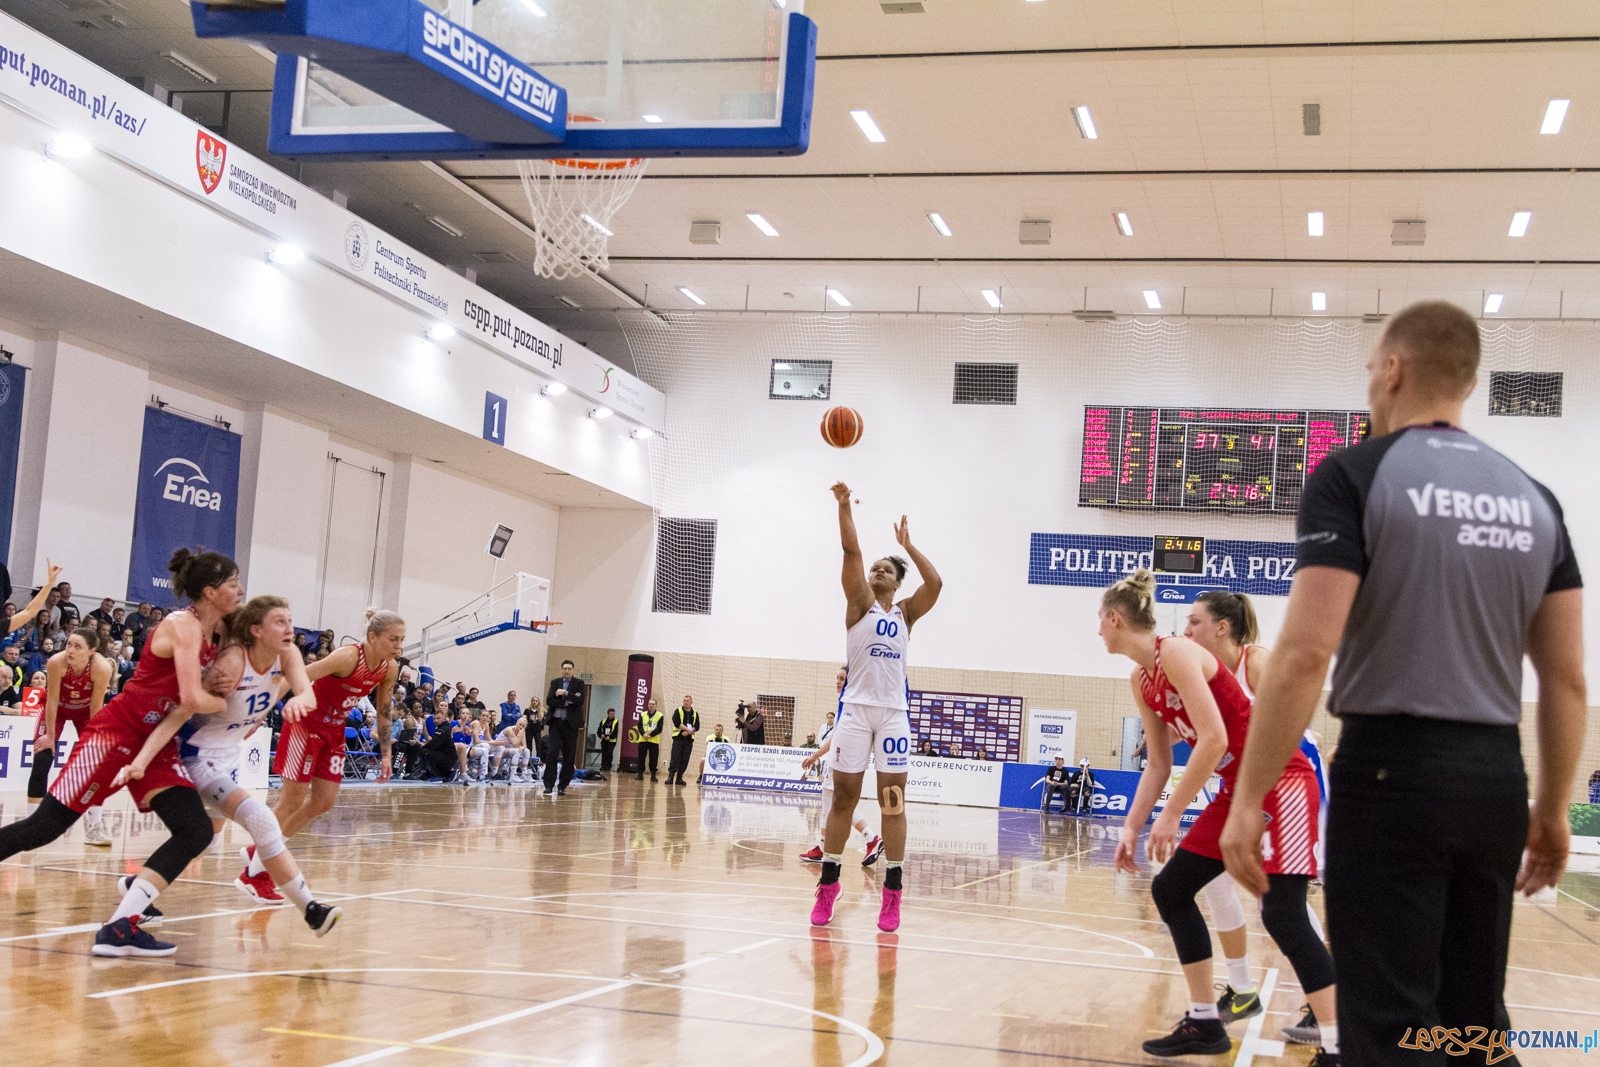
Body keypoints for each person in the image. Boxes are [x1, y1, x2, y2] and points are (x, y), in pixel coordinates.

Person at [1219, 301, 1586, 1067]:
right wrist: (1551, 810)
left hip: (1390, 775)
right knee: (1473, 1026)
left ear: (1393, 370)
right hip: (1495, 779)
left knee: (1386, 1026)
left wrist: (1248, 797)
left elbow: (1305, 652)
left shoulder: (1354, 475)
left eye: (1368, 372)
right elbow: (1566, 679)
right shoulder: (1535, 497)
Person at [1100, 570, 1336, 1061]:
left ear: (1115, 618)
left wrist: (1170, 816)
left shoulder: (1177, 653)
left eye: (1100, 621)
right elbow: (1160, 764)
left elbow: (1215, 739)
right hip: (1239, 788)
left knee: (1283, 912)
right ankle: (1206, 1022)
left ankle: (1339, 1044)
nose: (1097, 631)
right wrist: (1131, 825)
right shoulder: (1141, 679)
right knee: (1171, 889)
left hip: (1283, 779)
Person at [0, 548, 238, 958]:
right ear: (211, 591)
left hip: (155, 743)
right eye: (233, 584)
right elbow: (190, 696)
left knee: (195, 830)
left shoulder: (221, 630)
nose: (240, 591)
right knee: (45, 828)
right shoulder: (182, 625)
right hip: (112, 736)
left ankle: (125, 915)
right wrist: (234, 703)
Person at [117, 595, 340, 935]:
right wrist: (142, 759)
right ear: (256, 630)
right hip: (193, 756)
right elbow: (182, 712)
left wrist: (300, 703)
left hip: (227, 756)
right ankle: (311, 910)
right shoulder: (232, 664)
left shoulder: (288, 653)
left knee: (205, 839)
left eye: (290, 621)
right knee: (261, 819)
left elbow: (306, 692)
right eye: (279, 622)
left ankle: (139, 885)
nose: (289, 629)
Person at [812, 483, 942, 935]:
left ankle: (893, 894)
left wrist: (907, 546)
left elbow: (937, 584)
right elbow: (851, 549)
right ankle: (828, 885)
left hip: (892, 714)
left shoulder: (906, 613)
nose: (875, 570)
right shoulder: (860, 604)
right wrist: (844, 507)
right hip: (854, 712)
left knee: (892, 801)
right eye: (875, 567)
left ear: (897, 581)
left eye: (885, 569)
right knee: (844, 798)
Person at [243, 609, 404, 899]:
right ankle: (254, 874)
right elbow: (295, 676)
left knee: (323, 802)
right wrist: (259, 715)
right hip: (307, 723)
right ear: (372, 636)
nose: (399, 646)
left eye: (401, 640)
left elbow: (383, 711)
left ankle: (262, 849)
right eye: (393, 639)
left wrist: (387, 754)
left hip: (334, 730)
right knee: (292, 798)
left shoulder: (389, 668)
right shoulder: (347, 657)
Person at [28, 627, 114, 846]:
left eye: (78, 646)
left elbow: (96, 708)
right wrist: (49, 735)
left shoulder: (101, 668)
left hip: (85, 712)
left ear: (91, 651)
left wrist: (93, 741)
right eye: (69, 644)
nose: (71, 650)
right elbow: (53, 699)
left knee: (96, 766)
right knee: (42, 758)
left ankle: (94, 828)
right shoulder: (56, 662)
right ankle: (31, 827)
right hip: (55, 708)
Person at [801, 665, 885, 866]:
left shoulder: (850, 704)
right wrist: (816, 756)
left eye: (842, 678)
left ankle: (823, 848)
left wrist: (815, 756)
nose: (838, 681)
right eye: (837, 678)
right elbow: (836, 737)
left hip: (841, 761)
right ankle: (871, 839)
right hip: (842, 761)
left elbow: (838, 739)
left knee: (831, 808)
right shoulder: (846, 703)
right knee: (840, 806)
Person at [543, 659, 586, 796]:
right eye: (565, 668)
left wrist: (565, 694)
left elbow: (580, 701)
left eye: (569, 668)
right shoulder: (555, 682)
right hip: (556, 722)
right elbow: (549, 700)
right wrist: (568, 701)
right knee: (552, 752)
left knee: (569, 754)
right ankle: (549, 785)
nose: (567, 671)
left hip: (570, 723)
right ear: (562, 669)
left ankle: (563, 785)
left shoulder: (579, 683)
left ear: (573, 670)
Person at [667, 695, 698, 785]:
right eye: (684, 700)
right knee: (675, 758)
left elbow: (697, 726)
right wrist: (686, 729)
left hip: (688, 740)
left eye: (688, 700)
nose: (686, 702)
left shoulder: (695, 713)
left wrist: (689, 732)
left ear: (691, 702)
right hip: (678, 739)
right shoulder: (678, 711)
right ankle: (671, 777)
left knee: (685, 759)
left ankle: (679, 778)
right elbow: (676, 722)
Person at [635, 697, 663, 782]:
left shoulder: (659, 715)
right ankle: (640, 774)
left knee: (653, 759)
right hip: (643, 740)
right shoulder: (643, 714)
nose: (651, 705)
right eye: (650, 704)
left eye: (653, 704)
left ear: (656, 706)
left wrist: (650, 735)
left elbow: (659, 729)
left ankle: (653, 775)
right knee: (641, 758)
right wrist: (643, 734)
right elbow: (639, 726)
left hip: (653, 741)